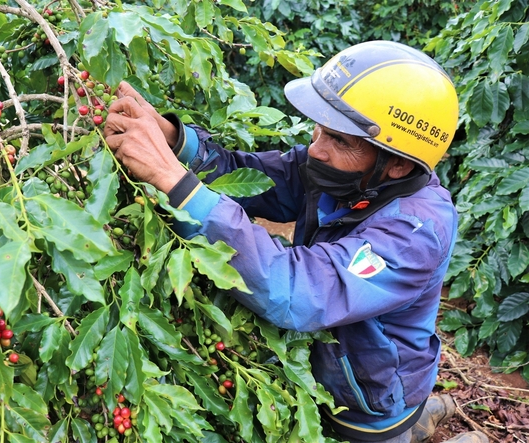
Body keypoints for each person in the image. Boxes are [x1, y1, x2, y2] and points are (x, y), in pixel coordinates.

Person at [104, 41, 488, 443]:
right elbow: (245, 177)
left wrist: (174, 180)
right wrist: (174, 141)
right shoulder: (337, 172)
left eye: (341, 140)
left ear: (398, 164)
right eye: (319, 128)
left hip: (370, 403)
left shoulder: (415, 233)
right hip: (327, 374)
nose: (316, 149)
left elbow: (298, 291)